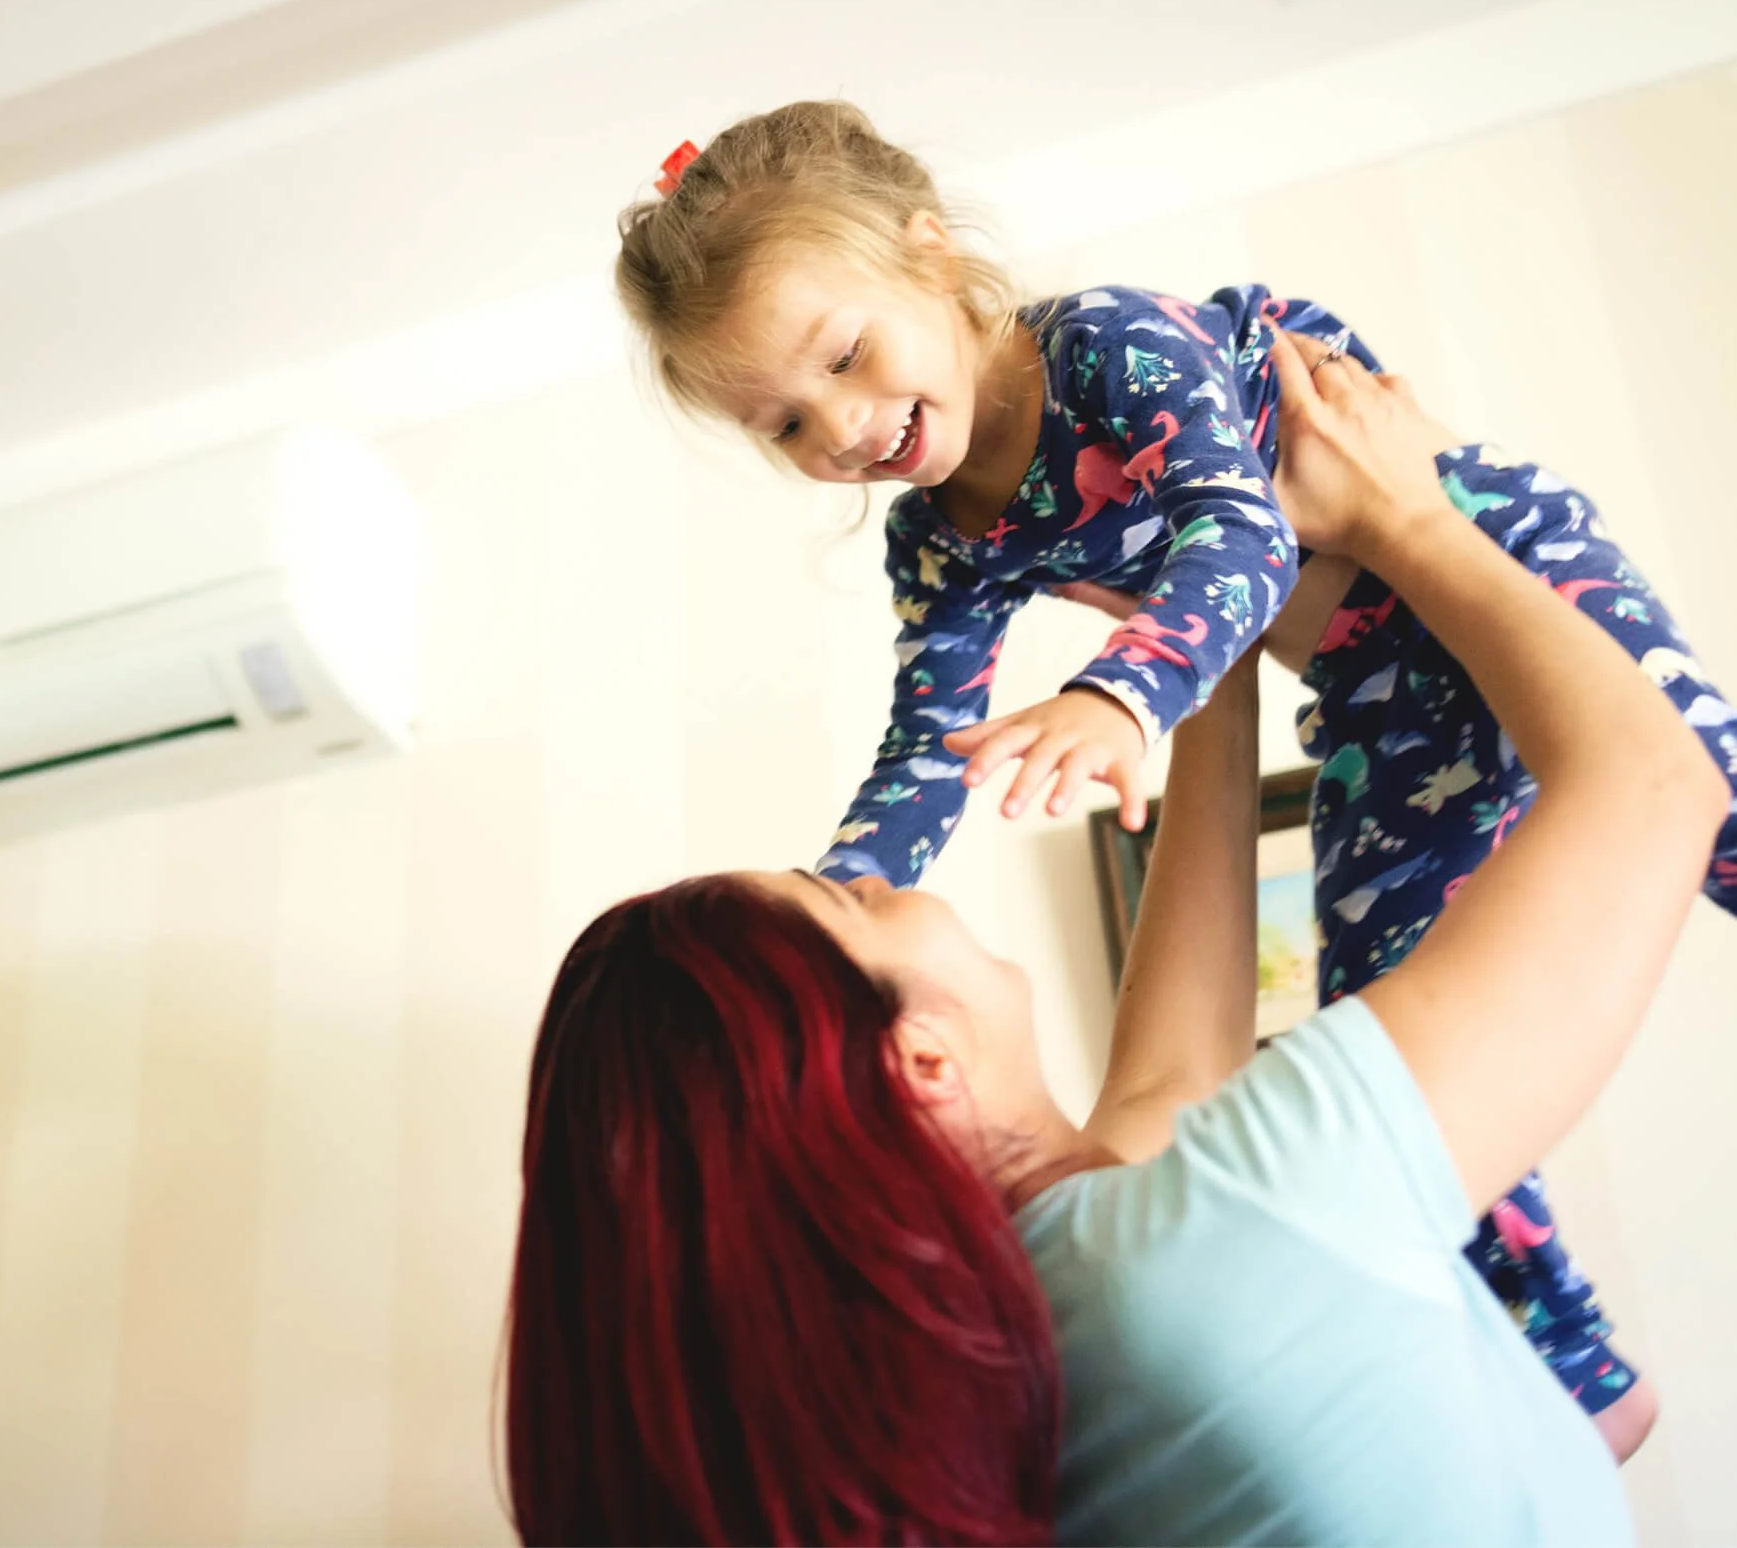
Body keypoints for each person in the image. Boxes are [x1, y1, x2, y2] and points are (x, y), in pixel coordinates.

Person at [611, 99, 1737, 1427]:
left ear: (929, 252)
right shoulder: (934, 542)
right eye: (786, 425)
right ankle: (1575, 1357)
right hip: (1382, 694)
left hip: (1499, 556)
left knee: (1708, 803)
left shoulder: (1107, 347)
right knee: (1376, 982)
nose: (844, 429)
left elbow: (1243, 538)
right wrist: (824, 910)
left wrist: (1120, 693)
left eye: (847, 357)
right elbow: (928, 739)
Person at [504, 338, 1729, 1544]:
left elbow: (1162, 1089)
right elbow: (1657, 788)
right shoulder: (1226, 1232)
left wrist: (1205, 654)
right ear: (918, 1059)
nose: (893, 886)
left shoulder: (1041, 1339)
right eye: (858, 900)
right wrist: (1406, 517)